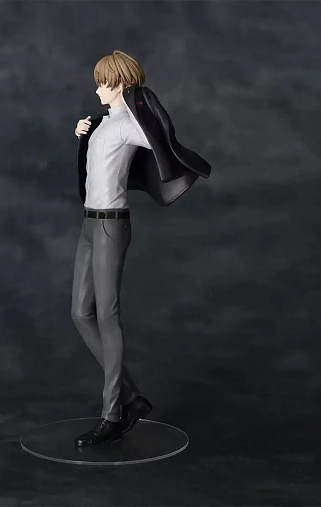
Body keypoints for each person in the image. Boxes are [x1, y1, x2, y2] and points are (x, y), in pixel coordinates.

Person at [71, 50, 211, 446]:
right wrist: (84, 133)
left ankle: (112, 414)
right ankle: (132, 398)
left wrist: (141, 99)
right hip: (88, 223)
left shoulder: (129, 125)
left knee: (107, 316)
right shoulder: (105, 123)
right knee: (81, 313)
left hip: (111, 227)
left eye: (103, 82)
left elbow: (160, 136)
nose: (97, 89)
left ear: (119, 83)